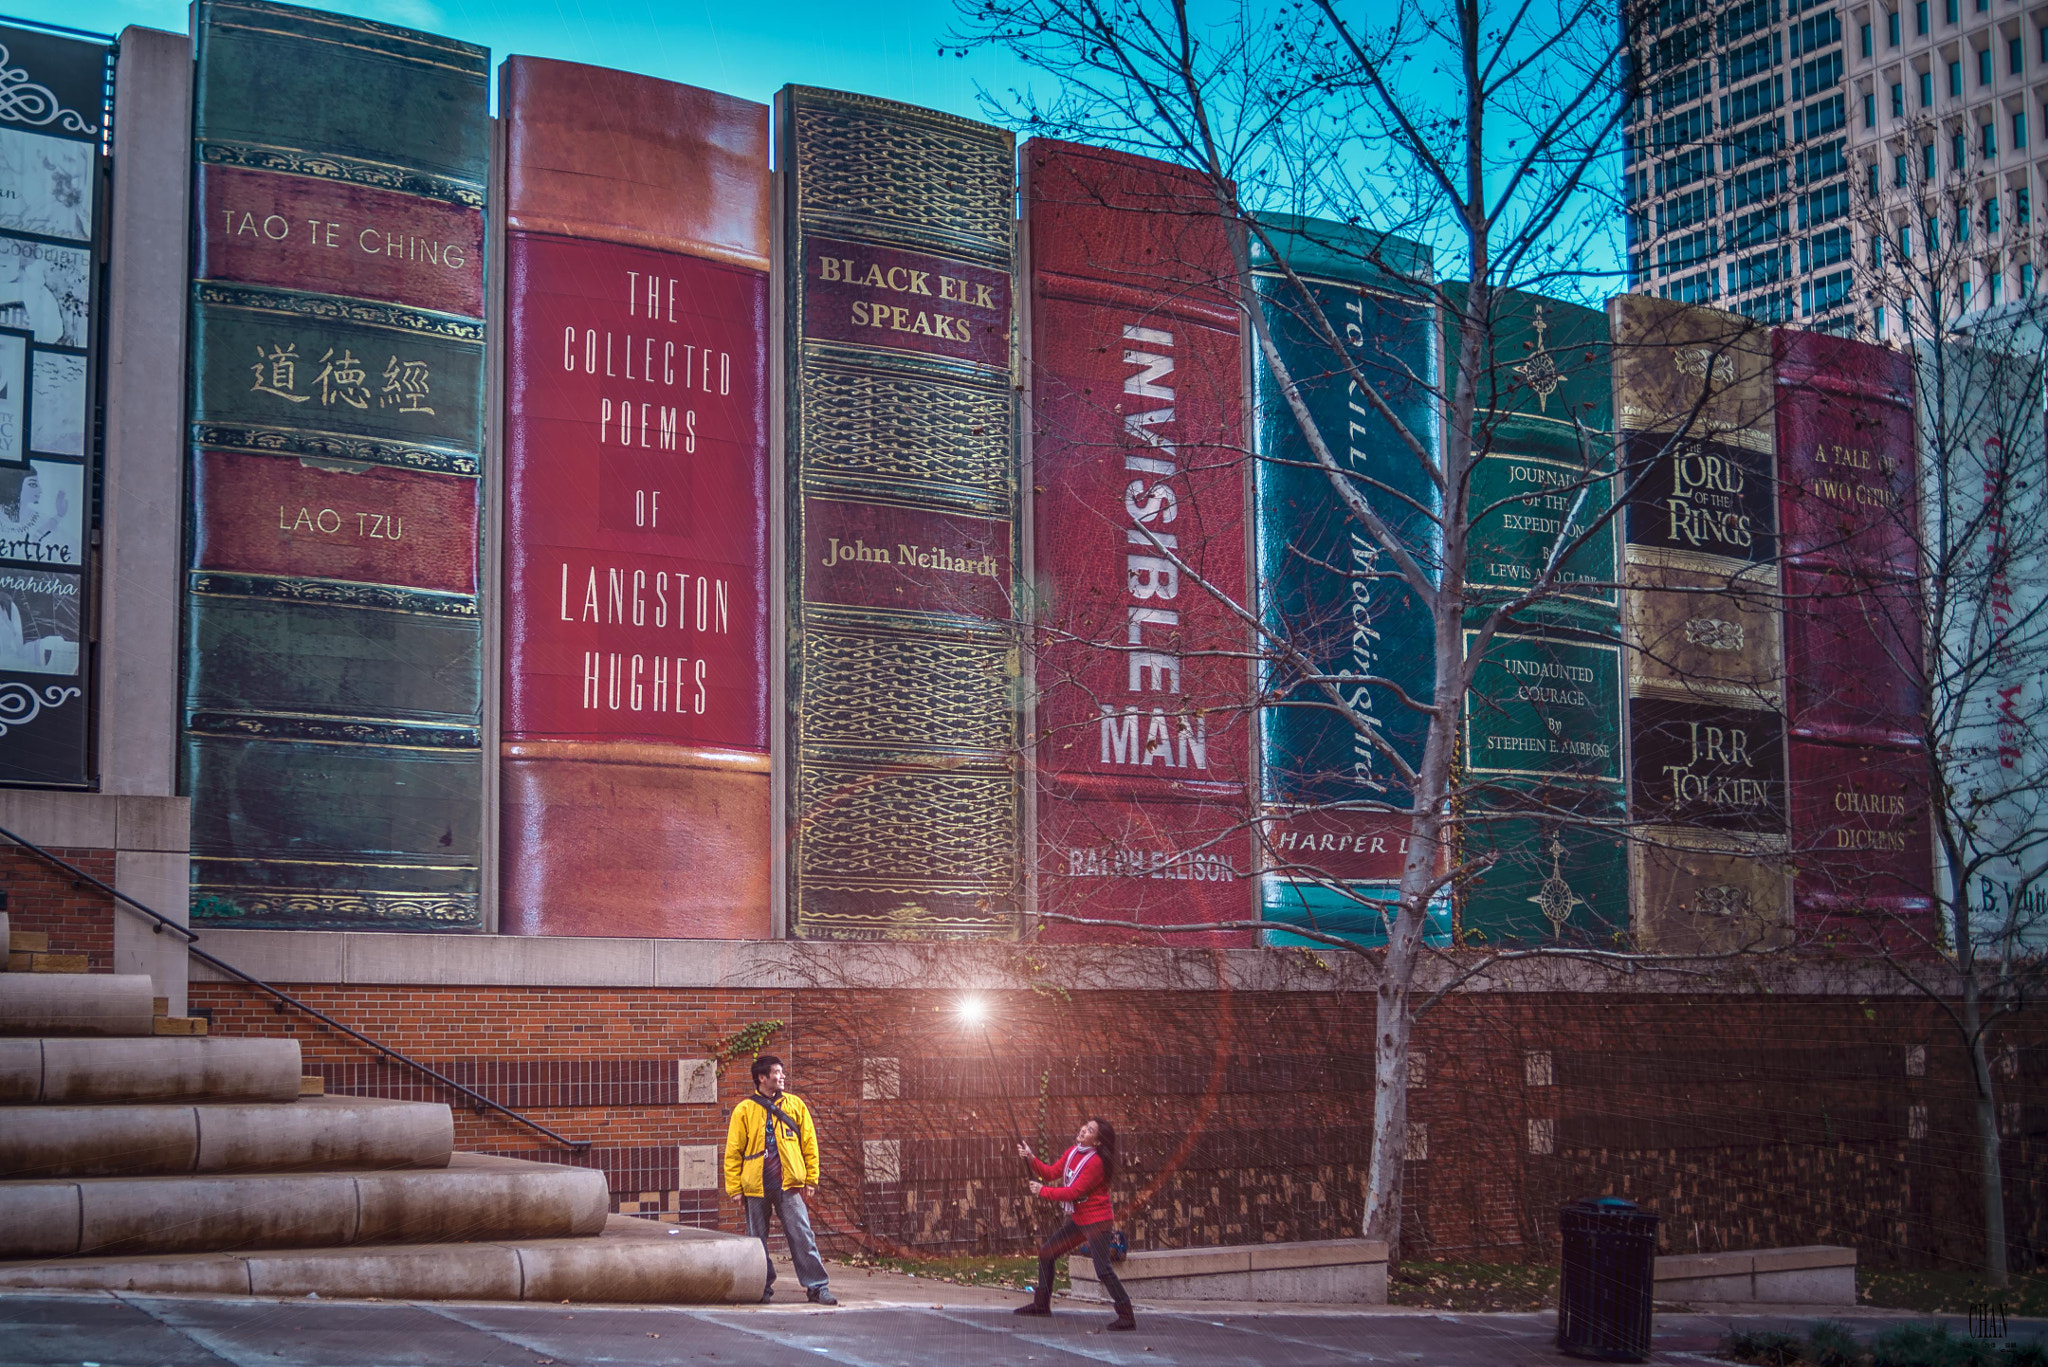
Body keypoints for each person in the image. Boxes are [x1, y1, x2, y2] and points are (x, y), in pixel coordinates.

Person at [722, 1054, 837, 1305]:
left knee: (802, 1236)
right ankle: (762, 1287)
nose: (782, 1076)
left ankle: (817, 1288)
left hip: (789, 1185)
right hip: (755, 1186)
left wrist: (811, 1179)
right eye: (776, 1072)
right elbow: (733, 1151)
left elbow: (809, 1144)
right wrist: (734, 1188)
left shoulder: (795, 1105)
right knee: (757, 1242)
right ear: (762, 1077)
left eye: (782, 1072)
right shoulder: (744, 1109)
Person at [1013, 1117, 1134, 1331]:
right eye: (1085, 1127)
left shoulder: (1096, 1163)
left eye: (1090, 1130)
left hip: (1097, 1222)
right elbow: (1050, 1173)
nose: (1083, 1130)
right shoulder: (1073, 1153)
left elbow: (1074, 1192)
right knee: (1047, 1253)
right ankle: (1041, 1305)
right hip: (1080, 1220)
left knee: (1103, 1269)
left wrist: (1043, 1191)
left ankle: (1127, 1316)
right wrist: (1031, 1157)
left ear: (1097, 1142)